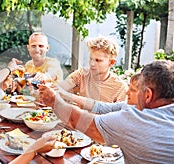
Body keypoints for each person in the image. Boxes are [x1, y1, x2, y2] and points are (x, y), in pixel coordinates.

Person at [39, 60, 174, 163]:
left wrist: (53, 101)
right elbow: (101, 107)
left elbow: (77, 120)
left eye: (138, 89)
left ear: (148, 95)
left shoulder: (136, 119)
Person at [58, 36, 128, 103]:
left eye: (98, 60)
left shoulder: (120, 88)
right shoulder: (81, 75)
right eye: (91, 59)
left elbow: (122, 114)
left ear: (111, 62)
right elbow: (61, 88)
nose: (92, 64)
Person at [56, 73, 140, 113]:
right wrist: (65, 94)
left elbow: (107, 120)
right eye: (91, 58)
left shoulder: (132, 115)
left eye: (133, 90)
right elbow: (99, 106)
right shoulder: (124, 106)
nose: (127, 92)